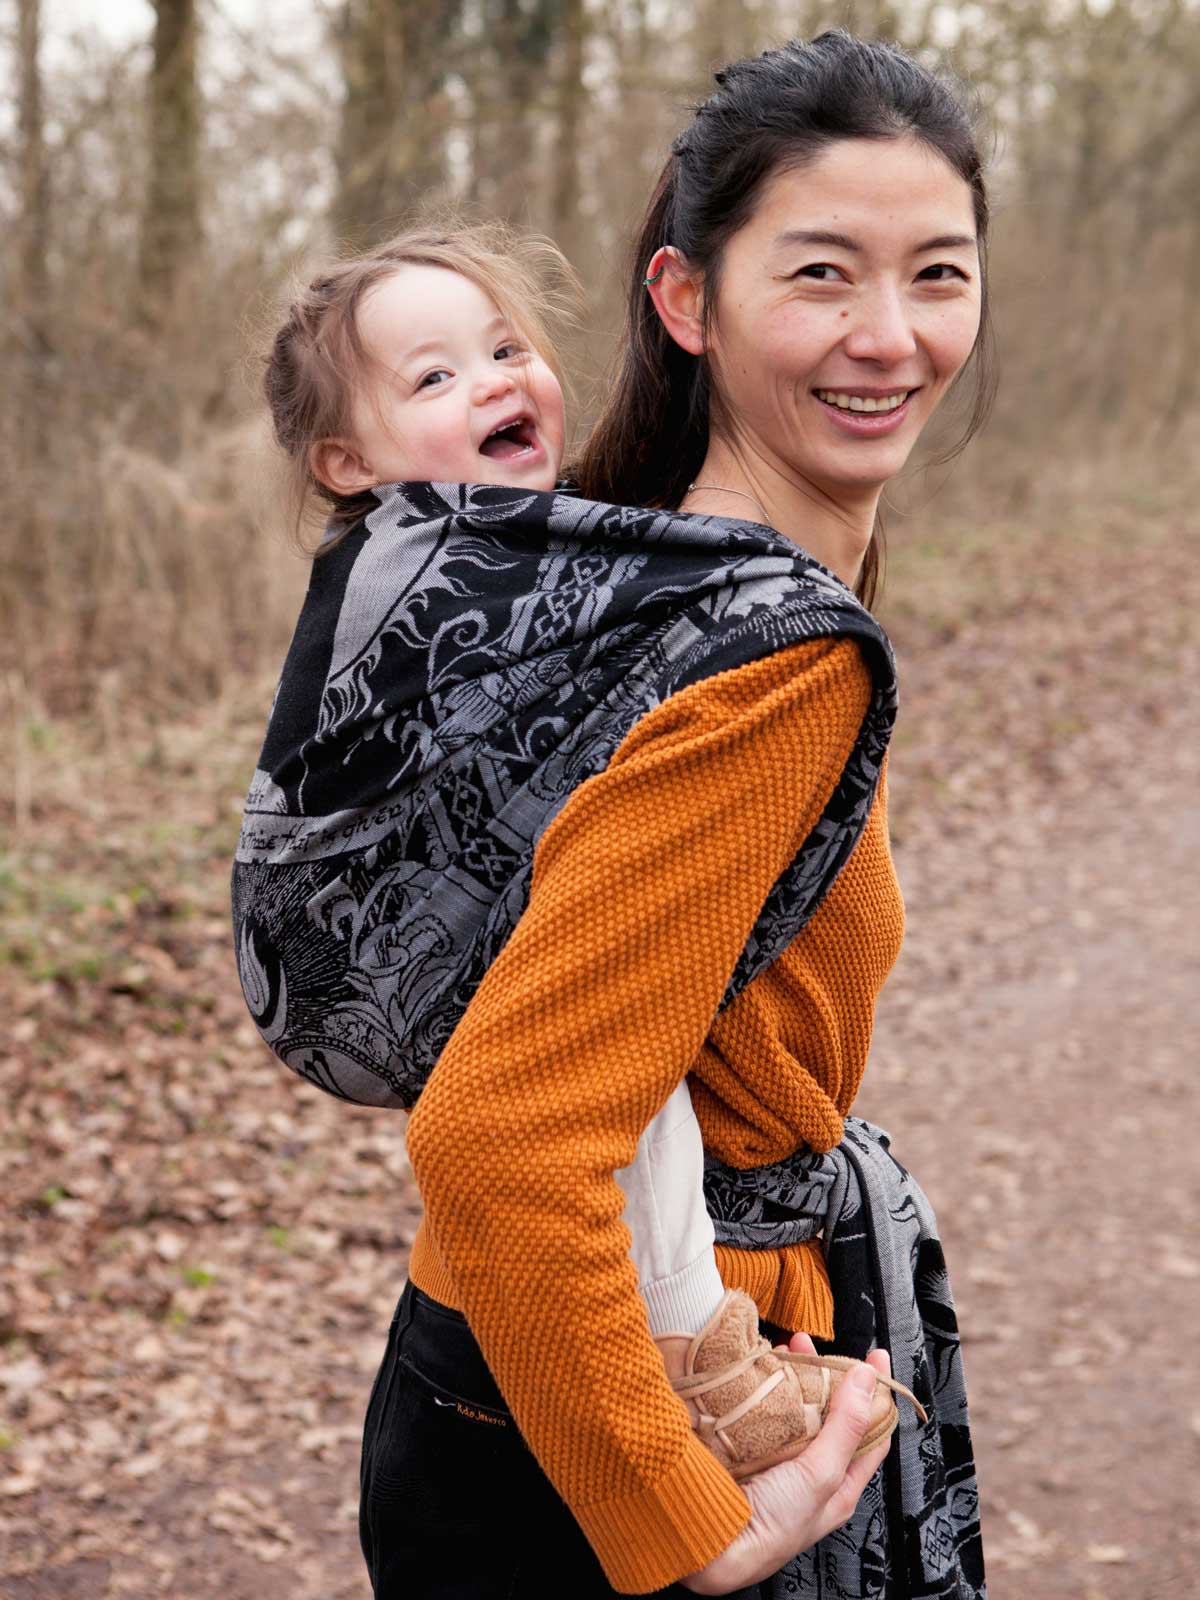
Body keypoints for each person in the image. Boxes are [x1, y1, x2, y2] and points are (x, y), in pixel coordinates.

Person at [232, 29, 991, 1599]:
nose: (890, 335)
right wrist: (697, 1532)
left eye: (938, 272)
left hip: (507, 1368)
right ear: (685, 301)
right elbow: (505, 1137)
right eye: (823, 274)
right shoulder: (763, 654)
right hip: (621, 1413)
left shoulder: (614, 575)